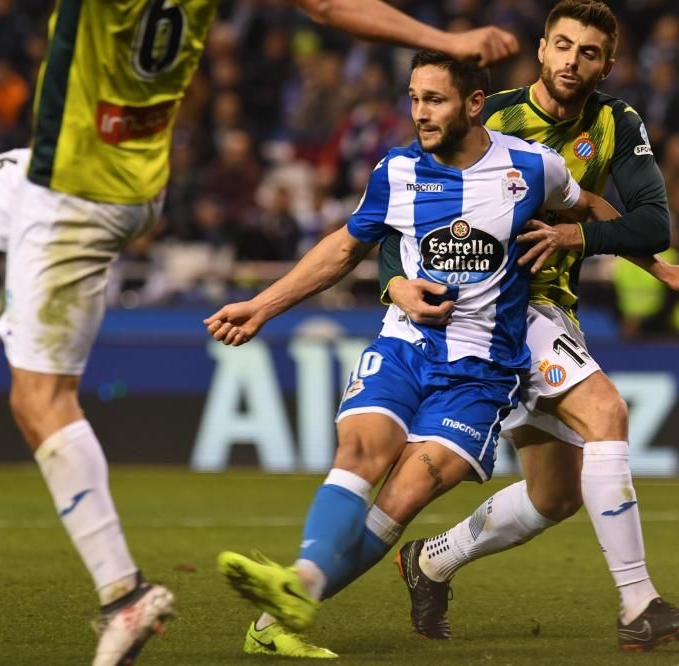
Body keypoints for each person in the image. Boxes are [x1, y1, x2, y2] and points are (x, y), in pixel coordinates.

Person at [0, 3, 520, 664]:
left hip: (75, 195)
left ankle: (122, 595)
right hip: (102, 173)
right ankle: (294, 592)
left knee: (39, 399)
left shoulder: (524, 168)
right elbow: (328, 8)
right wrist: (444, 37)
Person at [206, 50, 620, 659]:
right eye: (414, 98)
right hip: (405, 346)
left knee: (402, 499)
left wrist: (656, 263)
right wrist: (264, 306)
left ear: (474, 105)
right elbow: (344, 249)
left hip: (482, 374)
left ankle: (277, 616)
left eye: (435, 100)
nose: (420, 113)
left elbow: (589, 209)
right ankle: (297, 590)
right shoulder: (396, 171)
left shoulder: (534, 168)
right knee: (360, 450)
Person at [380, 0, 679, 652]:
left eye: (588, 52)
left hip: (553, 311)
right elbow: (404, 193)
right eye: (562, 45)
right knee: (607, 413)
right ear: (541, 48)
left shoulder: (616, 122)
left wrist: (622, 252)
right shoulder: (490, 111)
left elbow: (653, 222)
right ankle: (638, 604)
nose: (571, 61)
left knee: (554, 495)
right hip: (503, 307)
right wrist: (396, 280)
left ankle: (432, 561)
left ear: (607, 63)